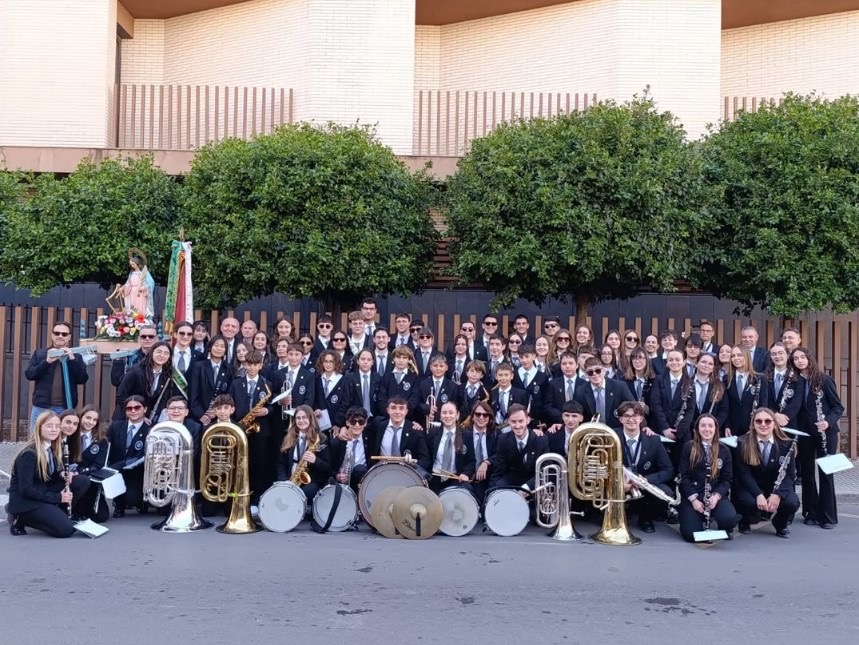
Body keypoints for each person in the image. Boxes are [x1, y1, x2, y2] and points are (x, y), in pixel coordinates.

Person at [6, 411, 91, 537]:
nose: (54, 429)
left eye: (57, 426)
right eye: (49, 426)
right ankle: (19, 518)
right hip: (26, 501)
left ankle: (56, 514)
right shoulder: (29, 454)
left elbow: (47, 476)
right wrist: (58, 497)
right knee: (66, 530)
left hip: (42, 491)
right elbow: (26, 489)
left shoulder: (52, 447)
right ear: (39, 427)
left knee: (81, 481)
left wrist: (61, 474)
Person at [790, 347, 843, 529]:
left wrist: (828, 422)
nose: (799, 361)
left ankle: (828, 516)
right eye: (795, 358)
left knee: (826, 474)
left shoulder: (824, 379)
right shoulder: (795, 382)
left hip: (825, 434)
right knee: (807, 474)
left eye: (802, 357)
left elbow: (838, 407)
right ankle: (811, 512)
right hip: (805, 435)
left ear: (809, 358)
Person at [733, 408, 800, 538]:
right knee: (746, 501)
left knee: (792, 502)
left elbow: (790, 475)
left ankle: (780, 523)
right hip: (753, 486)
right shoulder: (742, 443)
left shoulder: (787, 444)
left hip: (774, 487)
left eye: (768, 421)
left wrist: (778, 494)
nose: (763, 424)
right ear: (753, 424)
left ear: (774, 424)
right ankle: (745, 521)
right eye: (758, 421)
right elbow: (744, 474)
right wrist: (758, 494)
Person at [677, 414, 738, 543]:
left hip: (714, 496)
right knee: (690, 534)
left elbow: (727, 480)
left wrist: (716, 497)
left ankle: (723, 526)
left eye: (710, 426)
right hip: (693, 496)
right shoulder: (689, 447)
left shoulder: (724, 450)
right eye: (703, 425)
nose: (707, 429)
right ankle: (697, 519)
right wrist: (694, 499)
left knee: (730, 519)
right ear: (697, 429)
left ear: (716, 429)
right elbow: (683, 476)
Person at [616, 401, 674, 533]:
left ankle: (645, 517)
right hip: (619, 481)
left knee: (666, 492)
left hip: (642, 483)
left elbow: (668, 470)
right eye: (626, 416)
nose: (631, 419)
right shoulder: (612, 437)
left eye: (635, 416)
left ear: (641, 418)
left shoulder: (653, 440)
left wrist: (646, 480)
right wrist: (619, 481)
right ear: (620, 419)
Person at [228, 350, 274, 510]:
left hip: (260, 432)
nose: (252, 368)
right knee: (239, 465)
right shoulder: (236, 383)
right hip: (241, 428)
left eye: (256, 365)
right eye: (249, 364)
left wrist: (266, 411)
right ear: (245, 364)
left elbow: (274, 407)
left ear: (261, 366)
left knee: (258, 466)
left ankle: (255, 501)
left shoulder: (268, 385)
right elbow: (230, 404)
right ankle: (238, 497)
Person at [25, 320, 90, 433]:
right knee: (35, 440)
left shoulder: (76, 356)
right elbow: (30, 374)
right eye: (57, 333)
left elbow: (82, 379)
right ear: (52, 335)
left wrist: (71, 359)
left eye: (64, 334)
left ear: (69, 337)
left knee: (61, 441)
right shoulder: (40, 354)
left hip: (64, 408)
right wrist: (47, 362)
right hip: (41, 407)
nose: (60, 336)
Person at [488, 404, 548, 498]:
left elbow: (545, 471)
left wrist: (526, 488)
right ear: (508, 421)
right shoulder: (503, 439)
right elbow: (499, 470)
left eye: (521, 421)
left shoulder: (541, 440)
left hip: (533, 483)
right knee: (498, 488)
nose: (517, 426)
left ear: (528, 420)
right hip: (512, 480)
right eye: (513, 422)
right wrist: (492, 493)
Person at [276, 405, 331, 504]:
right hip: (291, 479)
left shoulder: (321, 439)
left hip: (312, 481)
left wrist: (315, 460)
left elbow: (328, 467)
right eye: (298, 418)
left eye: (304, 417)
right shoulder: (288, 438)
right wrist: (284, 481)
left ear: (311, 418)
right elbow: (281, 464)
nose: (301, 421)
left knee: (303, 493)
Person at [108, 395, 151, 518]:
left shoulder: (150, 429)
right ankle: (119, 506)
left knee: (133, 498)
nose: (133, 411)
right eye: (129, 408)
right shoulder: (116, 426)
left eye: (137, 407)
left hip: (138, 472)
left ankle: (142, 502)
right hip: (117, 470)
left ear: (145, 409)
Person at [113, 341, 174, 422]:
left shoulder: (166, 374)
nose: (162, 355)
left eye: (166, 353)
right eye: (159, 352)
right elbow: (121, 396)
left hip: (148, 420)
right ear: (151, 353)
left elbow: (163, 399)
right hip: (126, 418)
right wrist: (139, 416)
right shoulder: (136, 371)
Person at [372, 396, 432, 476]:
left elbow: (425, 461)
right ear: (387, 410)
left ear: (406, 411)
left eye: (401, 408)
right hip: (382, 472)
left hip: (406, 474)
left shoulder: (415, 431)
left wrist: (413, 462)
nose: (397, 412)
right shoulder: (378, 426)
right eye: (393, 408)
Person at [427, 401, 475, 493]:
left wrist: (465, 474)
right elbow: (427, 457)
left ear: (457, 415)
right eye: (444, 413)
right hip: (434, 477)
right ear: (440, 416)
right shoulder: (432, 433)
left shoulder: (466, 435)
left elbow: (471, 461)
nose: (447, 416)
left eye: (451, 412)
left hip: (455, 479)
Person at [573, 357, 634, 430]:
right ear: (586, 375)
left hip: (617, 430)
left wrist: (643, 426)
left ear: (604, 371)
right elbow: (575, 413)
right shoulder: (580, 391)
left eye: (598, 370)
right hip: (592, 432)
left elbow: (633, 407)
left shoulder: (620, 387)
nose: (594, 374)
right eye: (590, 372)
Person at [724, 345, 770, 437]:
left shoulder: (760, 379)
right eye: (733, 356)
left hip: (753, 427)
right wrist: (726, 426)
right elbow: (725, 406)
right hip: (732, 429)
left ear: (747, 356)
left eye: (739, 355)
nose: (736, 358)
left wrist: (758, 424)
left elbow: (763, 404)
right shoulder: (726, 380)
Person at [189, 334, 233, 426]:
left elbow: (229, 395)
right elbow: (193, 394)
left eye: (222, 346)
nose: (219, 349)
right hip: (200, 417)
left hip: (220, 416)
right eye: (216, 345)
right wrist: (201, 414)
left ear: (225, 350)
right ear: (210, 347)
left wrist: (216, 412)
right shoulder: (198, 366)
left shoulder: (229, 369)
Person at [330, 406, 375, 493]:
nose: (357, 425)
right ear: (347, 423)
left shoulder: (370, 440)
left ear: (365, 423)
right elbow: (327, 467)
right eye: (353, 422)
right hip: (340, 484)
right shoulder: (337, 443)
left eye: (361, 422)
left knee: (360, 469)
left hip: (362, 483)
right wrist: (337, 475)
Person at [467, 399, 499, 507]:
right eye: (478, 414)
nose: (481, 417)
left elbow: (500, 454)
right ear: (472, 416)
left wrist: (486, 462)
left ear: (489, 418)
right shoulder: (464, 434)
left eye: (485, 415)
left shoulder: (495, 434)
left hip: (489, 479)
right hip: (468, 479)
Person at [417, 354, 461, 427]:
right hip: (425, 423)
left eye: (441, 366)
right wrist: (427, 409)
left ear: (446, 368)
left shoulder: (452, 386)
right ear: (431, 367)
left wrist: (437, 415)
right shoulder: (423, 384)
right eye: (435, 366)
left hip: (444, 424)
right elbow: (418, 403)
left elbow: (455, 405)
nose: (438, 368)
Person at [109, 322, 158, 387]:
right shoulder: (128, 357)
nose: (147, 339)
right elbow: (116, 381)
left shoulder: (162, 358)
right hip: (132, 395)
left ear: (156, 339)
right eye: (143, 336)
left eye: (151, 336)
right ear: (139, 339)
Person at [378, 345, 420, 416]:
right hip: (388, 418)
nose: (401, 360)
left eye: (404, 358)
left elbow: (414, 401)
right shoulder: (386, 377)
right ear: (393, 358)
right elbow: (381, 400)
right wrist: (391, 414)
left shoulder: (414, 378)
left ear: (409, 360)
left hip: (407, 418)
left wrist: (401, 414)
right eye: (398, 357)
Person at [315, 350, 349, 432]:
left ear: (336, 363)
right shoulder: (317, 379)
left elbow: (345, 404)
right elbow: (314, 399)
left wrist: (338, 424)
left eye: (331, 362)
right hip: (319, 423)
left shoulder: (343, 380)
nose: (328, 364)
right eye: (325, 361)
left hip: (336, 425)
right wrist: (315, 409)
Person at [491, 363, 527, 430]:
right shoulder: (492, 393)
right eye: (500, 375)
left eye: (506, 375)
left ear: (512, 376)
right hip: (495, 428)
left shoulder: (520, 394)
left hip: (513, 428)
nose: (503, 378)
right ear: (496, 376)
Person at [122, 252, 155, 318]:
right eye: (131, 264)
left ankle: (141, 319)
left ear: (137, 263)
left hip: (141, 293)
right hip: (132, 293)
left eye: (133, 264)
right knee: (132, 309)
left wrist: (144, 288)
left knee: (140, 309)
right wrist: (123, 288)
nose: (132, 266)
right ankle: (132, 321)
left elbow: (151, 283)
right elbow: (128, 284)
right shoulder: (132, 273)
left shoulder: (145, 273)